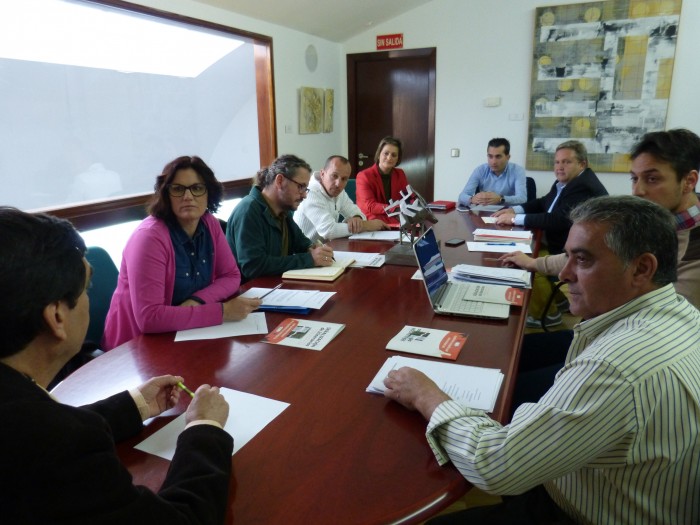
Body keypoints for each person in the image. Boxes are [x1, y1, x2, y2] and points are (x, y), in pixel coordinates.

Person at [384, 195, 700, 525]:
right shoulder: (681, 314)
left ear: (641, 268)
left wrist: (425, 395)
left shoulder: (617, 367)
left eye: (582, 260)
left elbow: (495, 466)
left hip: (586, 509)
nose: (563, 274)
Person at [0, 207, 233, 524]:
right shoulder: (57, 448)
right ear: (56, 317)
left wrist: (135, 406)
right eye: (86, 289)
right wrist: (205, 429)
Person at [502, 129, 700, 413]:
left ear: (689, 181)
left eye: (652, 179)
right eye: (634, 178)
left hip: (628, 357)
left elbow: (662, 333)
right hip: (602, 332)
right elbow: (592, 256)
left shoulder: (691, 245)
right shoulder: (653, 221)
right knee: (512, 354)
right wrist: (534, 263)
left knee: (511, 392)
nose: (638, 190)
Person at [103, 156, 260, 350]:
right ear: (165, 195)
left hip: (186, 332)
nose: (188, 196)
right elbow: (149, 318)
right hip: (135, 347)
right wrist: (222, 311)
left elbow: (231, 275)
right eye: (178, 189)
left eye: (197, 188)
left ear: (208, 193)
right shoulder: (149, 238)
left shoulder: (209, 223)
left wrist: (197, 301)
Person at [493, 140, 608, 328]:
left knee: (528, 263)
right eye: (557, 162)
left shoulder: (582, 186)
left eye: (566, 162)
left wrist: (514, 220)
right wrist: (514, 210)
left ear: (582, 164)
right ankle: (560, 301)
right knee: (526, 250)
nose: (560, 167)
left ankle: (547, 316)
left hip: (581, 251)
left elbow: (557, 220)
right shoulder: (566, 182)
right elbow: (542, 203)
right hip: (566, 242)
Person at [226, 154, 334, 282]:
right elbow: (253, 267)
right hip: (250, 292)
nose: (304, 195)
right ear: (280, 181)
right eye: (300, 187)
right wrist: (309, 259)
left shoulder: (283, 210)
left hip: (276, 285)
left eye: (306, 189)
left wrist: (314, 249)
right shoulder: (248, 211)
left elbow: (301, 243)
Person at [294, 155, 388, 243]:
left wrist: (356, 219)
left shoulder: (338, 191)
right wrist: (366, 225)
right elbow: (329, 230)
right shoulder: (310, 193)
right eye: (334, 176)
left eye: (344, 179)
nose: (338, 184)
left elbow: (357, 212)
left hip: (324, 248)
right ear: (322, 174)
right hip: (302, 253)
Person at [356, 136, 410, 225]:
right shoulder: (364, 176)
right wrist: (397, 208)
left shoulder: (400, 174)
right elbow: (371, 206)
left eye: (394, 155)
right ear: (378, 155)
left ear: (397, 159)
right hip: (372, 219)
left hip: (394, 216)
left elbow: (406, 197)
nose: (389, 158)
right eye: (386, 153)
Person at [457, 137, 527, 206]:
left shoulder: (518, 171)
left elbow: (522, 198)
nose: (493, 162)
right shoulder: (480, 170)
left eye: (498, 157)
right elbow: (462, 196)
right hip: (484, 213)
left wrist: (501, 199)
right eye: (490, 156)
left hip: (508, 213)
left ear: (507, 157)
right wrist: (471, 199)